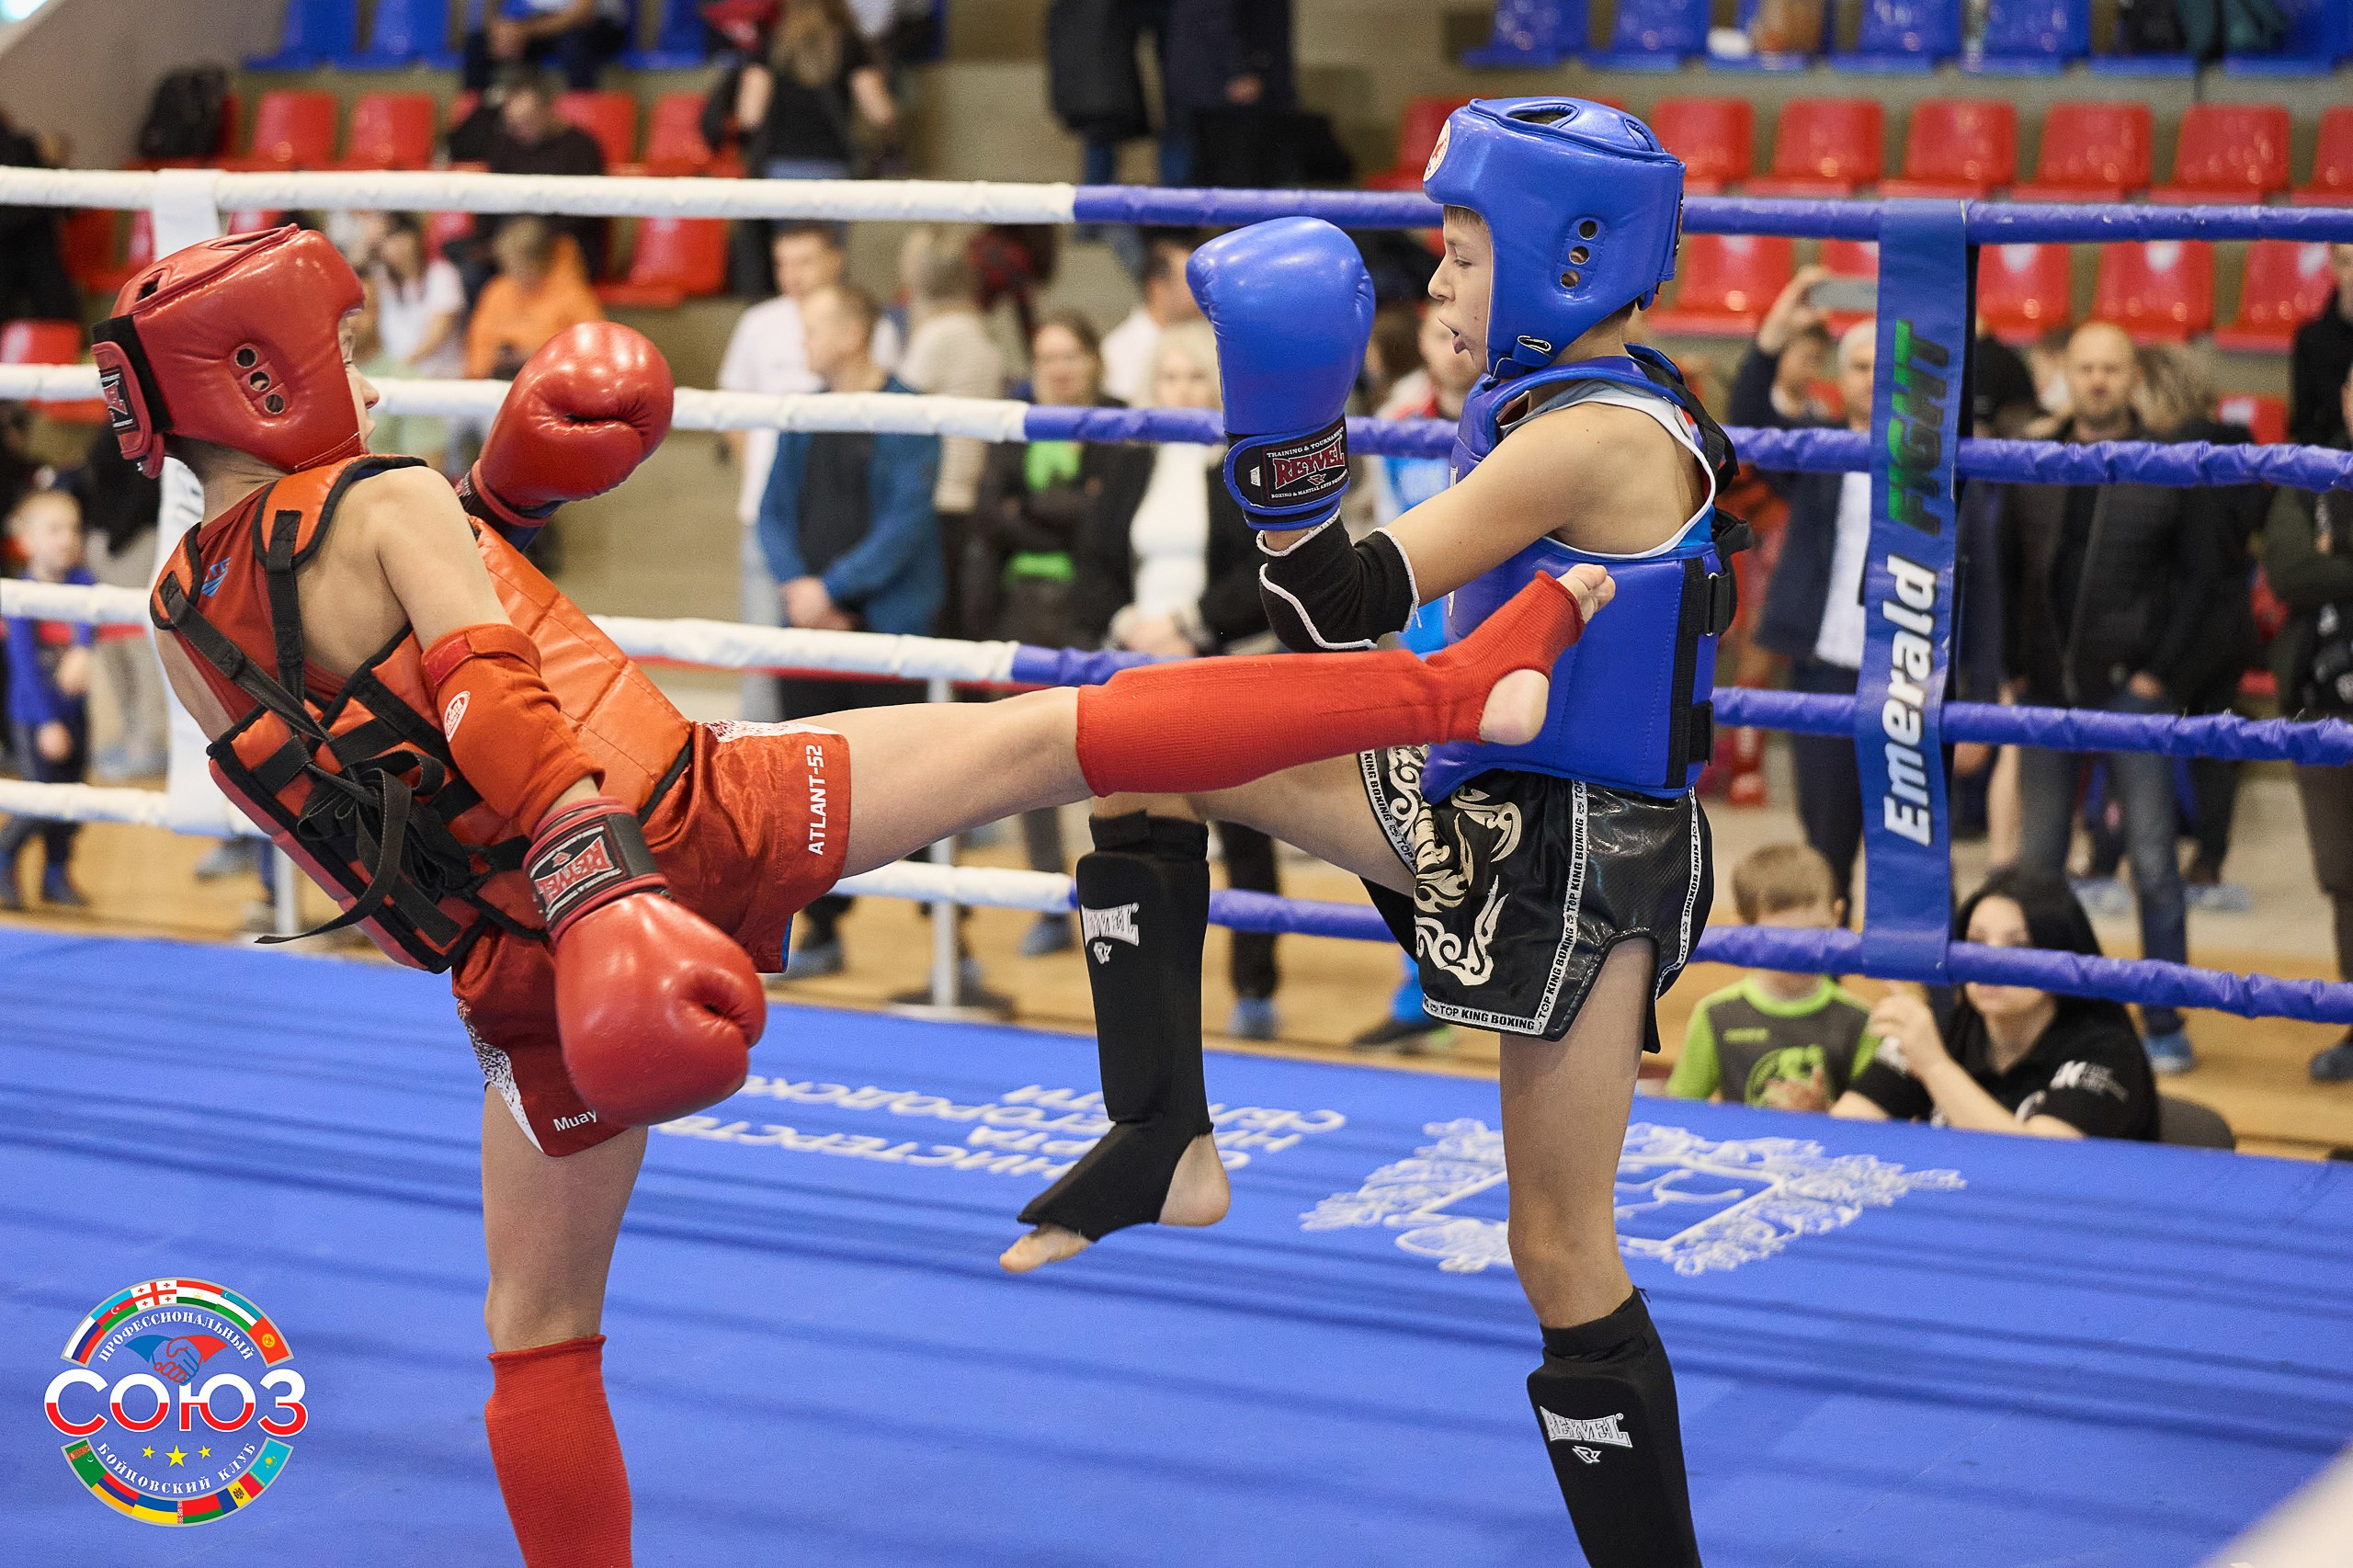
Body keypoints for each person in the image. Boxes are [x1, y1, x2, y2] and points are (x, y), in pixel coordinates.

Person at [96, 224, 1604, 1567]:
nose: (365, 376)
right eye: (341, 349)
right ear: (264, 373)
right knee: (1058, 731)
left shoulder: (179, 620)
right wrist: (605, 886)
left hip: (518, 969)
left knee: (535, 1335)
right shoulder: (381, 498)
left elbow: (356, 796)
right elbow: (492, 697)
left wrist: (507, 501)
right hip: (667, 831)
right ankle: (1453, 689)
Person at [1001, 101, 1734, 1565]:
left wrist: (1282, 429)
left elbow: (1340, 597)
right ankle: (1162, 1135)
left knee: (1559, 1248)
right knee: (1140, 743)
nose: (1439, 281)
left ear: (1567, 256)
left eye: (1463, 251)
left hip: (1583, 862)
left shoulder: (1589, 439)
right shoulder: (1572, 399)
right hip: (1468, 790)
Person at [1996, 321, 2223, 1076]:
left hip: (2133, 690)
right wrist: (2010, 669)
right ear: (2067, 372)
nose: (2098, 380)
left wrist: (2160, 672)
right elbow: (2003, 568)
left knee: (2154, 861)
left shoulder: (2168, 464)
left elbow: (2204, 579)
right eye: (2086, 367)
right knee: (2038, 864)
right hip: (2045, 689)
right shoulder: (2033, 458)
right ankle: (2040, 1014)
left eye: (2112, 368)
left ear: (2134, 377)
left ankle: (2162, 1018)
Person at [1074, 320, 1287, 1038]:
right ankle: (1146, 983)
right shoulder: (1131, 465)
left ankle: (1254, 985)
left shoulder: (1243, 465)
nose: (1182, 390)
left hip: (1223, 660)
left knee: (1243, 823)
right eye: (1170, 377)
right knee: (1137, 821)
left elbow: (1264, 568)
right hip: (1139, 665)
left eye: (1196, 377)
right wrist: (1127, 623)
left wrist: (1193, 627)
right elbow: (1093, 561)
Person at [758, 280, 941, 979]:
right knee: (806, 787)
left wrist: (829, 590)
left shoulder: (909, 410)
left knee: (925, 787)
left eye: (813, 328)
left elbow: (905, 523)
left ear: (853, 333)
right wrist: (801, 591)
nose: (802, 342)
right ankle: (822, 932)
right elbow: (773, 513)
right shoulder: (803, 411)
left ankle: (949, 945)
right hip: (810, 632)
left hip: (886, 631)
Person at [969, 312, 1152, 957]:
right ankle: (1049, 901)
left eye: (1070, 355)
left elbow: (1107, 520)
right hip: (1021, 607)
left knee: (1114, 760)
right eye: (1047, 358)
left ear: (1095, 359)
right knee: (1026, 763)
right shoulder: (1016, 421)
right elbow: (989, 513)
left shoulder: (1121, 422)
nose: (1060, 369)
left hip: (1099, 606)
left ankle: (1123, 902)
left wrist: (1029, 510)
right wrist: (1066, 509)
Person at [1733, 269, 1878, 912]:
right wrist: (1774, 334)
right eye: (1860, 366)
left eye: (1884, 366)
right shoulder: (1819, 448)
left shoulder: (1940, 468)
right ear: (1840, 378)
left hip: (1909, 670)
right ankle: (1828, 962)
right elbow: (1749, 419)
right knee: (1826, 845)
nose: (1872, 378)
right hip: (1823, 669)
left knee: (1912, 853)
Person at [717, 223, 902, 722]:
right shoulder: (758, 323)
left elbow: (886, 405)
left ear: (834, 260)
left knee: (865, 692)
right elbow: (732, 409)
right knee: (764, 664)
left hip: (851, 521)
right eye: (783, 264)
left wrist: (831, 591)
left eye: (805, 261)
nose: (793, 275)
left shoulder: (871, 327)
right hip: (774, 516)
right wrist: (763, 477)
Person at [1834, 868, 2158, 1140]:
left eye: (2018, 946)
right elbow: (1845, 1130)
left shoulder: (2110, 1051)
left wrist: (1934, 1066)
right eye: (1976, 942)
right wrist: (1817, 1116)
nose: (1989, 962)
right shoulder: (1943, 1029)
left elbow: (2039, 1166)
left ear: (2062, 954)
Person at [2132, 341, 2262, 900]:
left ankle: (2124, 855)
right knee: (2214, 745)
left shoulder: (2176, 454)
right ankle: (2209, 858)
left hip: (2188, 624)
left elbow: (2195, 568)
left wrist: (2160, 663)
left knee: (2142, 738)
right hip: (2232, 618)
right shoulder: (2239, 445)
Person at [2264, 363, 2353, 1082]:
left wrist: (2338, 552)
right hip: (2323, 709)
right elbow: (2289, 573)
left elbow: (2315, 568)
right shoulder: (2309, 475)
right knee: (2345, 878)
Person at [1665, 843, 1881, 1110]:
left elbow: (1874, 1123)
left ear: (1837, 917)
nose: (1800, 955)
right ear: (1742, 932)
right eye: (1781, 941)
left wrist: (1825, 1112)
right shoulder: (1714, 1015)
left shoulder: (1861, 1021)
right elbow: (1681, 1113)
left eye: (1814, 936)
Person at [703, 0, 898, 290]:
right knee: (826, 260)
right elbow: (879, 112)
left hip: (780, 168)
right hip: (834, 167)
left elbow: (750, 115)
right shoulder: (849, 44)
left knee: (792, 260)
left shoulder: (773, 43)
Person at [896, 234, 1007, 634]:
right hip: (967, 490)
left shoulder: (940, 335)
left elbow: (899, 406)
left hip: (943, 493)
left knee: (940, 620)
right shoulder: (979, 329)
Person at [1, 486, 95, 910]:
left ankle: (56, 873)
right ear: (26, 542)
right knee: (40, 798)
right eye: (54, 530)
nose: (67, 539)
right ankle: (4, 857)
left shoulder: (83, 581)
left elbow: (91, 615)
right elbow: (23, 667)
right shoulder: (20, 593)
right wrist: (46, 723)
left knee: (73, 797)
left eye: (73, 529)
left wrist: (82, 648)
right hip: (34, 714)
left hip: (75, 711)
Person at [445, 70, 609, 280]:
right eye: (513, 124)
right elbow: (489, 198)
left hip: (559, 243)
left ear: (548, 109)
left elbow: (586, 214)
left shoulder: (582, 147)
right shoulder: (505, 144)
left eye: (527, 121)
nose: (519, 130)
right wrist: (486, 241)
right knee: (466, 262)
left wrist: (532, 235)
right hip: (507, 240)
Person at [361, 213, 469, 473]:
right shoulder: (380, 281)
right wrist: (369, 240)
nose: (395, 246)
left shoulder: (442, 274)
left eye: (400, 236)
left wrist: (396, 370)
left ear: (416, 238)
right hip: (391, 381)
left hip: (442, 382)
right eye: (387, 240)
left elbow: (435, 338)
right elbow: (355, 271)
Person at [465, 217, 606, 382]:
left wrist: (536, 355)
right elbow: (479, 343)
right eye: (507, 265)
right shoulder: (497, 290)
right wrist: (484, 368)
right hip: (499, 380)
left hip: (554, 383)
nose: (512, 273)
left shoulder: (574, 296)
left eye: (519, 266)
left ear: (540, 262)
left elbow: (591, 352)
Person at [1099, 230, 1201, 406]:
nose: (1202, 292)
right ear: (1158, 288)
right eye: (1191, 284)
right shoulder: (1119, 349)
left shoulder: (1207, 337)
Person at [461, 0, 630, 92]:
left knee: (574, 45)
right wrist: (501, 32)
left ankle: (582, 122)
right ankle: (476, 122)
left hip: (597, 25)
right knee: (478, 44)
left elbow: (581, 13)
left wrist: (524, 31)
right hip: (537, 23)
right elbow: (490, 8)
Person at [2290, 244, 2353, 450]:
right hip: (2327, 458)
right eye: (2346, 262)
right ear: (2333, 265)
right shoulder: (2310, 339)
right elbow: (2304, 423)